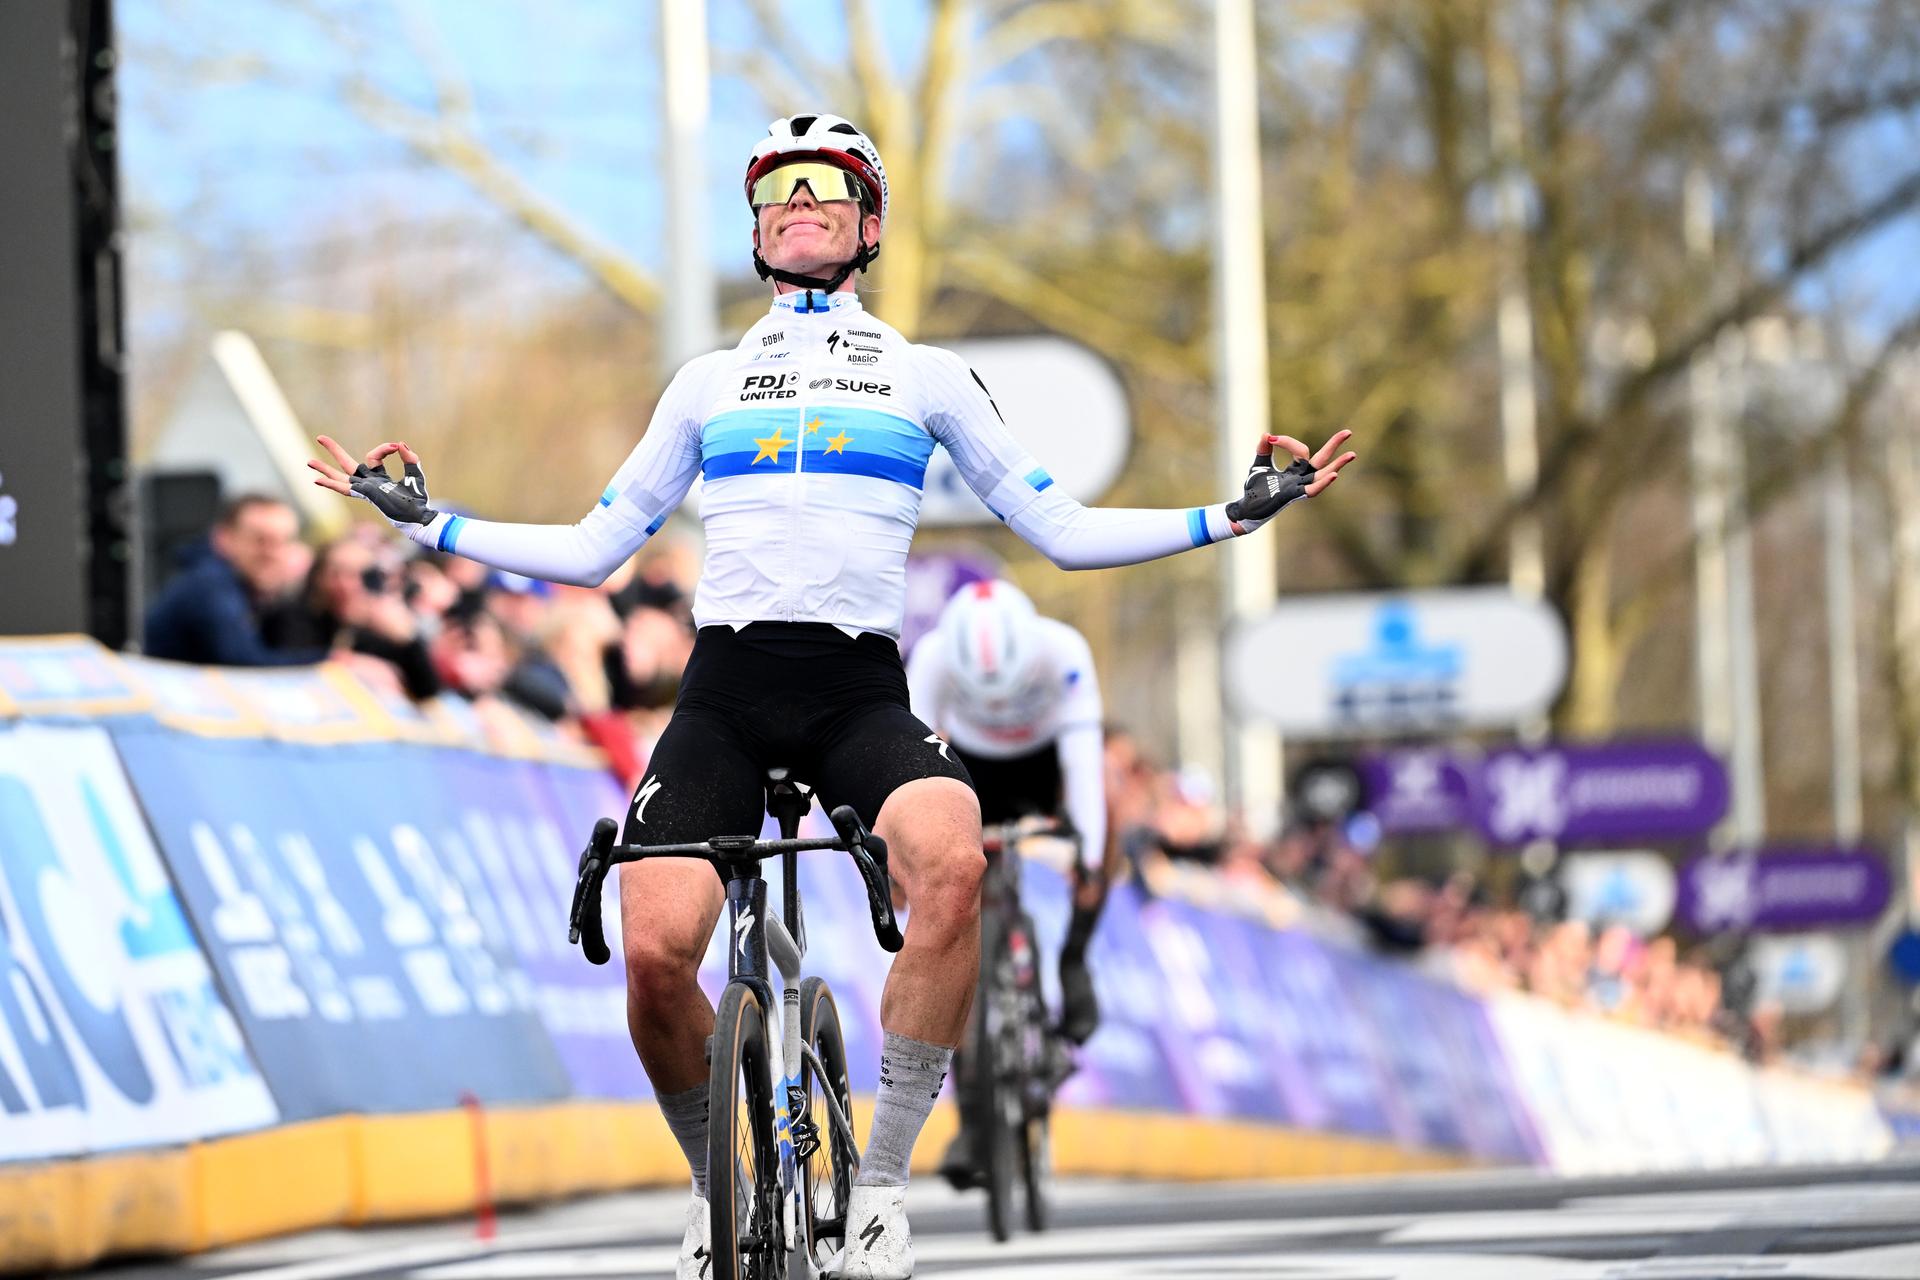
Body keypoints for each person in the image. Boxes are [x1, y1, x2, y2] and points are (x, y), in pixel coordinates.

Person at [308, 111, 1355, 1279]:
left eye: (826, 189)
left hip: (858, 686)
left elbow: (1059, 529)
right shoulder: (708, 380)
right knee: (655, 951)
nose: (799, 205)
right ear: (756, 231)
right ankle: (718, 1189)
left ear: (866, 224)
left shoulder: (925, 375)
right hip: (725, 689)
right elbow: (597, 546)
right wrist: (432, 520)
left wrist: (1232, 513)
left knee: (955, 857)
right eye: (776, 194)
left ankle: (886, 1186)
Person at [905, 578, 1108, 1188]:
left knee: (1110, 814)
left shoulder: (1063, 650)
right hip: (967, 763)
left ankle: (1074, 959)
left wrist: (1087, 859)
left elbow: (1085, 768)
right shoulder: (934, 657)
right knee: (953, 920)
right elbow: (912, 773)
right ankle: (971, 1116)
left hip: (1043, 761)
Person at [144, 494, 326, 667]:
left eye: (281, 542)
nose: (273, 553)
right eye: (260, 540)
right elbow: (242, 663)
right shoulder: (210, 585)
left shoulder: (241, 587)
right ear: (224, 539)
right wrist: (328, 662)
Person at [261, 536, 440, 699]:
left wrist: (407, 639)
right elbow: (286, 665)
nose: (346, 585)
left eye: (359, 575)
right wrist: (344, 661)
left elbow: (427, 689)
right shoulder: (293, 616)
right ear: (318, 577)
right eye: (336, 573)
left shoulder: (371, 629)